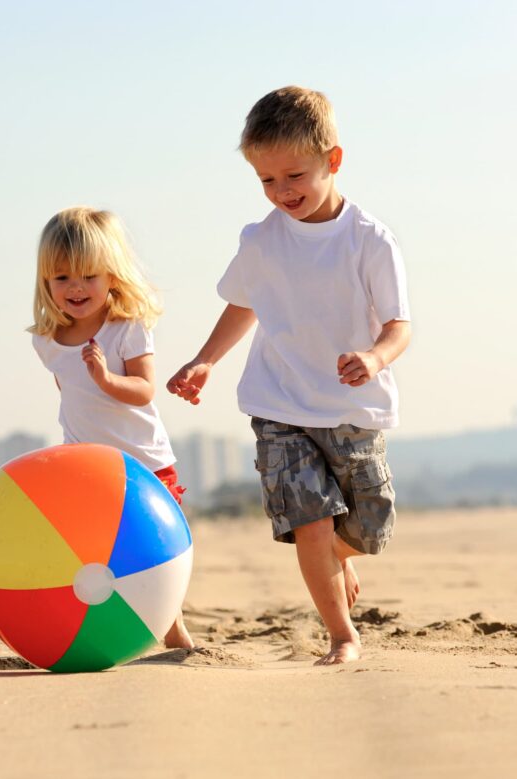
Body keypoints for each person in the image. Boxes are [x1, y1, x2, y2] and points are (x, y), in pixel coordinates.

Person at [167, 86, 411, 665]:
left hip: (352, 407)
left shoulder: (369, 241)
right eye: (266, 181)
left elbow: (400, 325)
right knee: (310, 522)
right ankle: (341, 634)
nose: (282, 193)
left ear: (333, 159)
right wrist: (205, 359)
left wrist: (374, 357)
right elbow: (244, 304)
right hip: (278, 405)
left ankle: (337, 556)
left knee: (372, 523)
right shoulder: (262, 240)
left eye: (294, 175)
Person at [29, 206, 193, 650]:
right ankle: (96, 626)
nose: (75, 288)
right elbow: (71, 398)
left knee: (154, 550)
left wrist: (105, 379)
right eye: (62, 278)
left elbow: (143, 390)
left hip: (145, 462)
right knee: (95, 554)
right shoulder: (46, 341)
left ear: (112, 276)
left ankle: (173, 627)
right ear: (46, 283)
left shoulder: (126, 329)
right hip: (88, 466)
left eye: (88, 275)